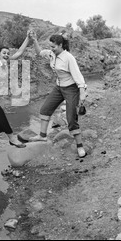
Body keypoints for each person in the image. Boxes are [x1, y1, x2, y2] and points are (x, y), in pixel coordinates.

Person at [27, 29, 87, 158]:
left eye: (53, 47)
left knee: (71, 118)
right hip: (59, 88)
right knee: (45, 109)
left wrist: (82, 92)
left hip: (71, 89)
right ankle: (42, 136)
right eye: (50, 47)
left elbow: (78, 76)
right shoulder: (51, 54)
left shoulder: (68, 58)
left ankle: (80, 146)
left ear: (60, 45)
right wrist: (35, 40)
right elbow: (39, 52)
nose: (51, 49)